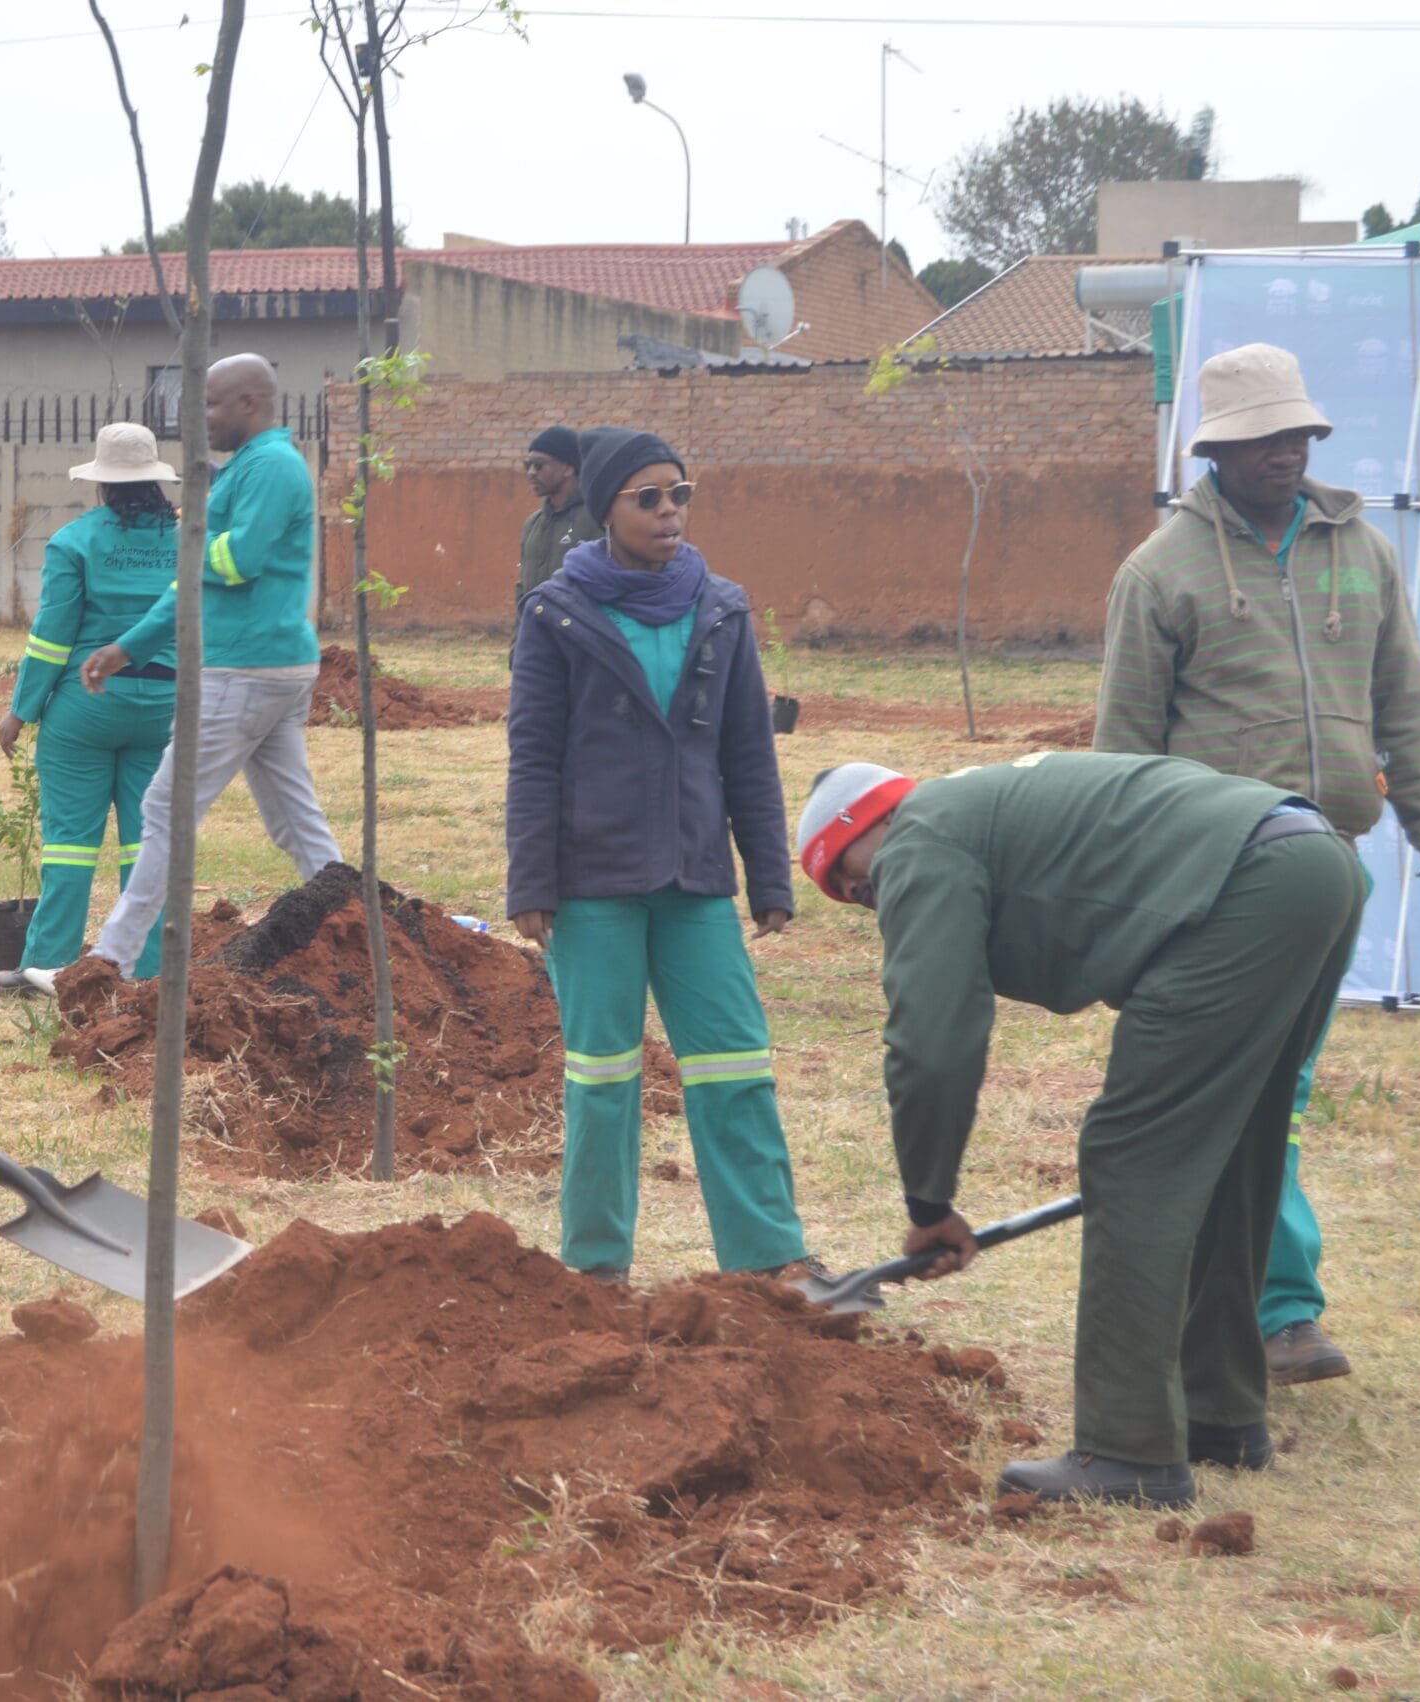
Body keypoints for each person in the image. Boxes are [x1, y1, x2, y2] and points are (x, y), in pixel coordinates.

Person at [797, 752, 1365, 1506]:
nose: (871, 901)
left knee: (1133, 1157)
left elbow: (933, 1041)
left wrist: (928, 1204)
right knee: (1233, 1149)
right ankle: (1220, 1417)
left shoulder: (920, 837)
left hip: (1247, 885)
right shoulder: (979, 811)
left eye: (857, 884)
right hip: (1311, 863)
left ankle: (1129, 1452)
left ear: (872, 828)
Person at [1094, 341, 1420, 1390]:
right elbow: (1121, 759)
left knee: (1283, 1089)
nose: (1286, 451)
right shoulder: (1159, 572)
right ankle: (1270, 1309)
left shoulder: (1360, 553)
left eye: (1299, 433)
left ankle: (1257, 1306)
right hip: (1212, 872)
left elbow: (1406, 714)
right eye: (1263, 437)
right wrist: (1128, 907)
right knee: (1239, 1089)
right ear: (1215, 449)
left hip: (1331, 869)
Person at [506, 427, 812, 1283]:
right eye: (649, 497)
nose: (669, 510)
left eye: (680, 493)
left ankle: (770, 1259)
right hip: (591, 882)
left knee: (735, 1066)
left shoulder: (720, 607)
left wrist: (768, 876)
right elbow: (532, 754)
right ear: (607, 508)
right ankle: (595, 1270)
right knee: (602, 1084)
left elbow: (749, 750)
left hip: (695, 880)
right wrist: (531, 880)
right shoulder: (556, 613)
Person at [82, 354, 342, 975]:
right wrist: (130, 647)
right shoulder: (248, 469)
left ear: (251, 404)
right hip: (264, 666)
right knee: (294, 822)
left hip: (243, 669)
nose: (199, 417)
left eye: (211, 404)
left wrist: (188, 539)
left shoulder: (273, 467)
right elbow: (192, 584)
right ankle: (354, 928)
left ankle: (110, 960)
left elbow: (238, 560)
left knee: (166, 808)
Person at [0, 424, 183, 995]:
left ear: (102, 484)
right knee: (148, 841)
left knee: (70, 841)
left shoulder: (74, 542)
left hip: (84, 711)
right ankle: (145, 968)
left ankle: (48, 966)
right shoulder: (190, 540)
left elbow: (53, 636)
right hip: (165, 706)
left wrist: (21, 710)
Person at [515, 425, 592, 607]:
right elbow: (523, 589)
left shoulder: (597, 519)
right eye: (528, 465)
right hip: (535, 633)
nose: (531, 472)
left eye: (539, 465)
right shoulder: (533, 524)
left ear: (567, 468)